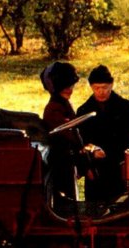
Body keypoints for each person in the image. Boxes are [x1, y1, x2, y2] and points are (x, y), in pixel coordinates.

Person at [76, 64, 129, 202]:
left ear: (111, 85)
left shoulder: (126, 107)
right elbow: (79, 142)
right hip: (95, 170)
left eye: (105, 87)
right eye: (97, 88)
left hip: (120, 167)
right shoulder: (83, 111)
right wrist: (86, 167)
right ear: (91, 87)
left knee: (121, 206)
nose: (101, 92)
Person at [40, 61, 90, 213]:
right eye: (65, 86)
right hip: (61, 161)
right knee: (67, 203)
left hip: (68, 159)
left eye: (71, 86)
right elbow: (70, 137)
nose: (69, 89)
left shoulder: (63, 103)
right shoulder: (54, 109)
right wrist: (85, 163)